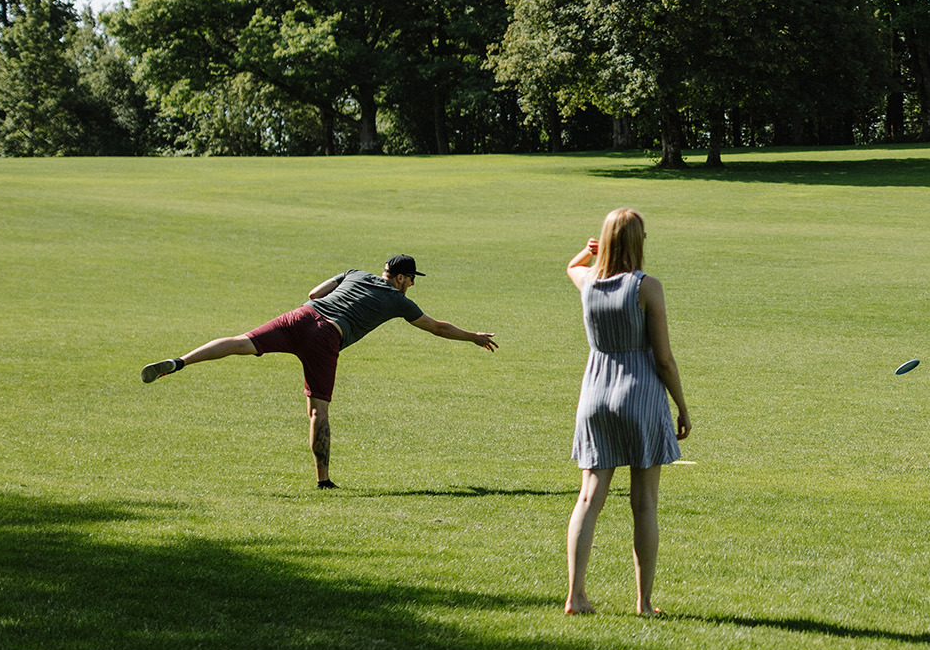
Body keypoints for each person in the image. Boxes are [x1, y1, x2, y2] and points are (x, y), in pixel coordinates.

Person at [140, 255, 498, 489]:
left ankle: (180, 362)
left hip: (301, 316)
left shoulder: (355, 272)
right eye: (411, 279)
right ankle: (323, 481)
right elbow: (436, 327)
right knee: (318, 411)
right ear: (401, 278)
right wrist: (473, 337)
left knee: (241, 342)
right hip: (327, 335)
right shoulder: (397, 300)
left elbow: (313, 291)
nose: (412, 284)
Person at [563, 209, 691, 618]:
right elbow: (664, 358)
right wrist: (682, 406)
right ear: (638, 242)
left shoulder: (588, 283)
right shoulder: (646, 287)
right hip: (640, 393)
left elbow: (572, 266)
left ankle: (575, 596)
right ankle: (643, 602)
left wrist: (587, 252)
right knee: (645, 503)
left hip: (595, 394)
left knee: (588, 497)